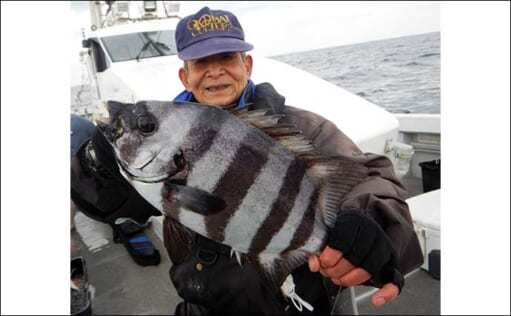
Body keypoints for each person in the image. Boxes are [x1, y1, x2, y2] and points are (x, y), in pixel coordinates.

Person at [164, 6, 424, 316]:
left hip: (298, 300)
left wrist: (367, 224)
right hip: (205, 303)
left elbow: (368, 176)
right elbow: (125, 200)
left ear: (246, 65)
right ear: (185, 76)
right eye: (201, 62)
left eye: (227, 58)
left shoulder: (301, 128)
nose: (215, 70)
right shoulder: (162, 140)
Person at [70, 113, 162, 267]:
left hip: (107, 184)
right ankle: (128, 221)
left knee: (113, 206)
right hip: (109, 168)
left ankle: (126, 222)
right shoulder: (78, 122)